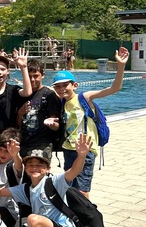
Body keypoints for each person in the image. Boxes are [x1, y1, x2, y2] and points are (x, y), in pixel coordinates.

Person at [50, 47, 129, 197]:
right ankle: (74, 216)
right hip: (69, 149)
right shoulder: (62, 102)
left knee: (82, 190)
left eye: (65, 85)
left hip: (85, 150)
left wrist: (121, 65)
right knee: (70, 187)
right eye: (58, 86)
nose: (62, 89)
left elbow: (114, 88)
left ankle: (87, 217)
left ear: (74, 85)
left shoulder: (84, 98)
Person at [16, 58, 63, 156]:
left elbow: (57, 124)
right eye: (29, 76)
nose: (32, 80)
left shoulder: (49, 95)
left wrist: (52, 124)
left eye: (36, 76)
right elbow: (18, 125)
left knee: (38, 170)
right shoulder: (21, 95)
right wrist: (20, 113)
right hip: (23, 142)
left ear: (43, 75)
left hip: (43, 143)